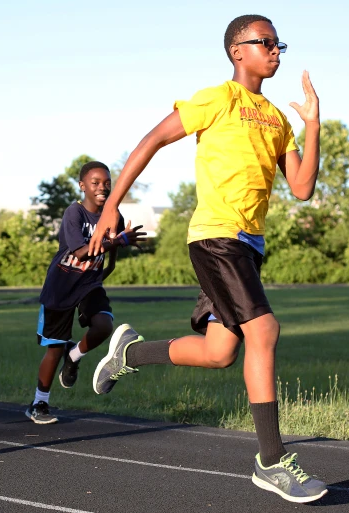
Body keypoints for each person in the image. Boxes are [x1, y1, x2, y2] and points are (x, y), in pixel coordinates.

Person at [86, 15, 327, 504]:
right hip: (217, 239)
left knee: (220, 352)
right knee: (265, 331)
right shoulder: (218, 98)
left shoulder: (277, 119)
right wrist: (112, 204)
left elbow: (302, 187)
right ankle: (272, 462)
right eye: (266, 42)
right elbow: (154, 138)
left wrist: (314, 124)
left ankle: (128, 354)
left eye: (279, 43)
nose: (276, 50)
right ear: (238, 51)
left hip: (249, 245)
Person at [26, 161, 145, 424]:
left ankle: (74, 356)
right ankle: (38, 404)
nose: (102, 187)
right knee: (54, 349)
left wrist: (99, 278)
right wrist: (116, 241)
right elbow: (80, 251)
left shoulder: (114, 216)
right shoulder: (74, 213)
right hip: (61, 286)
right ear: (82, 186)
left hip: (89, 284)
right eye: (95, 182)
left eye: (106, 183)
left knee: (104, 326)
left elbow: (111, 259)